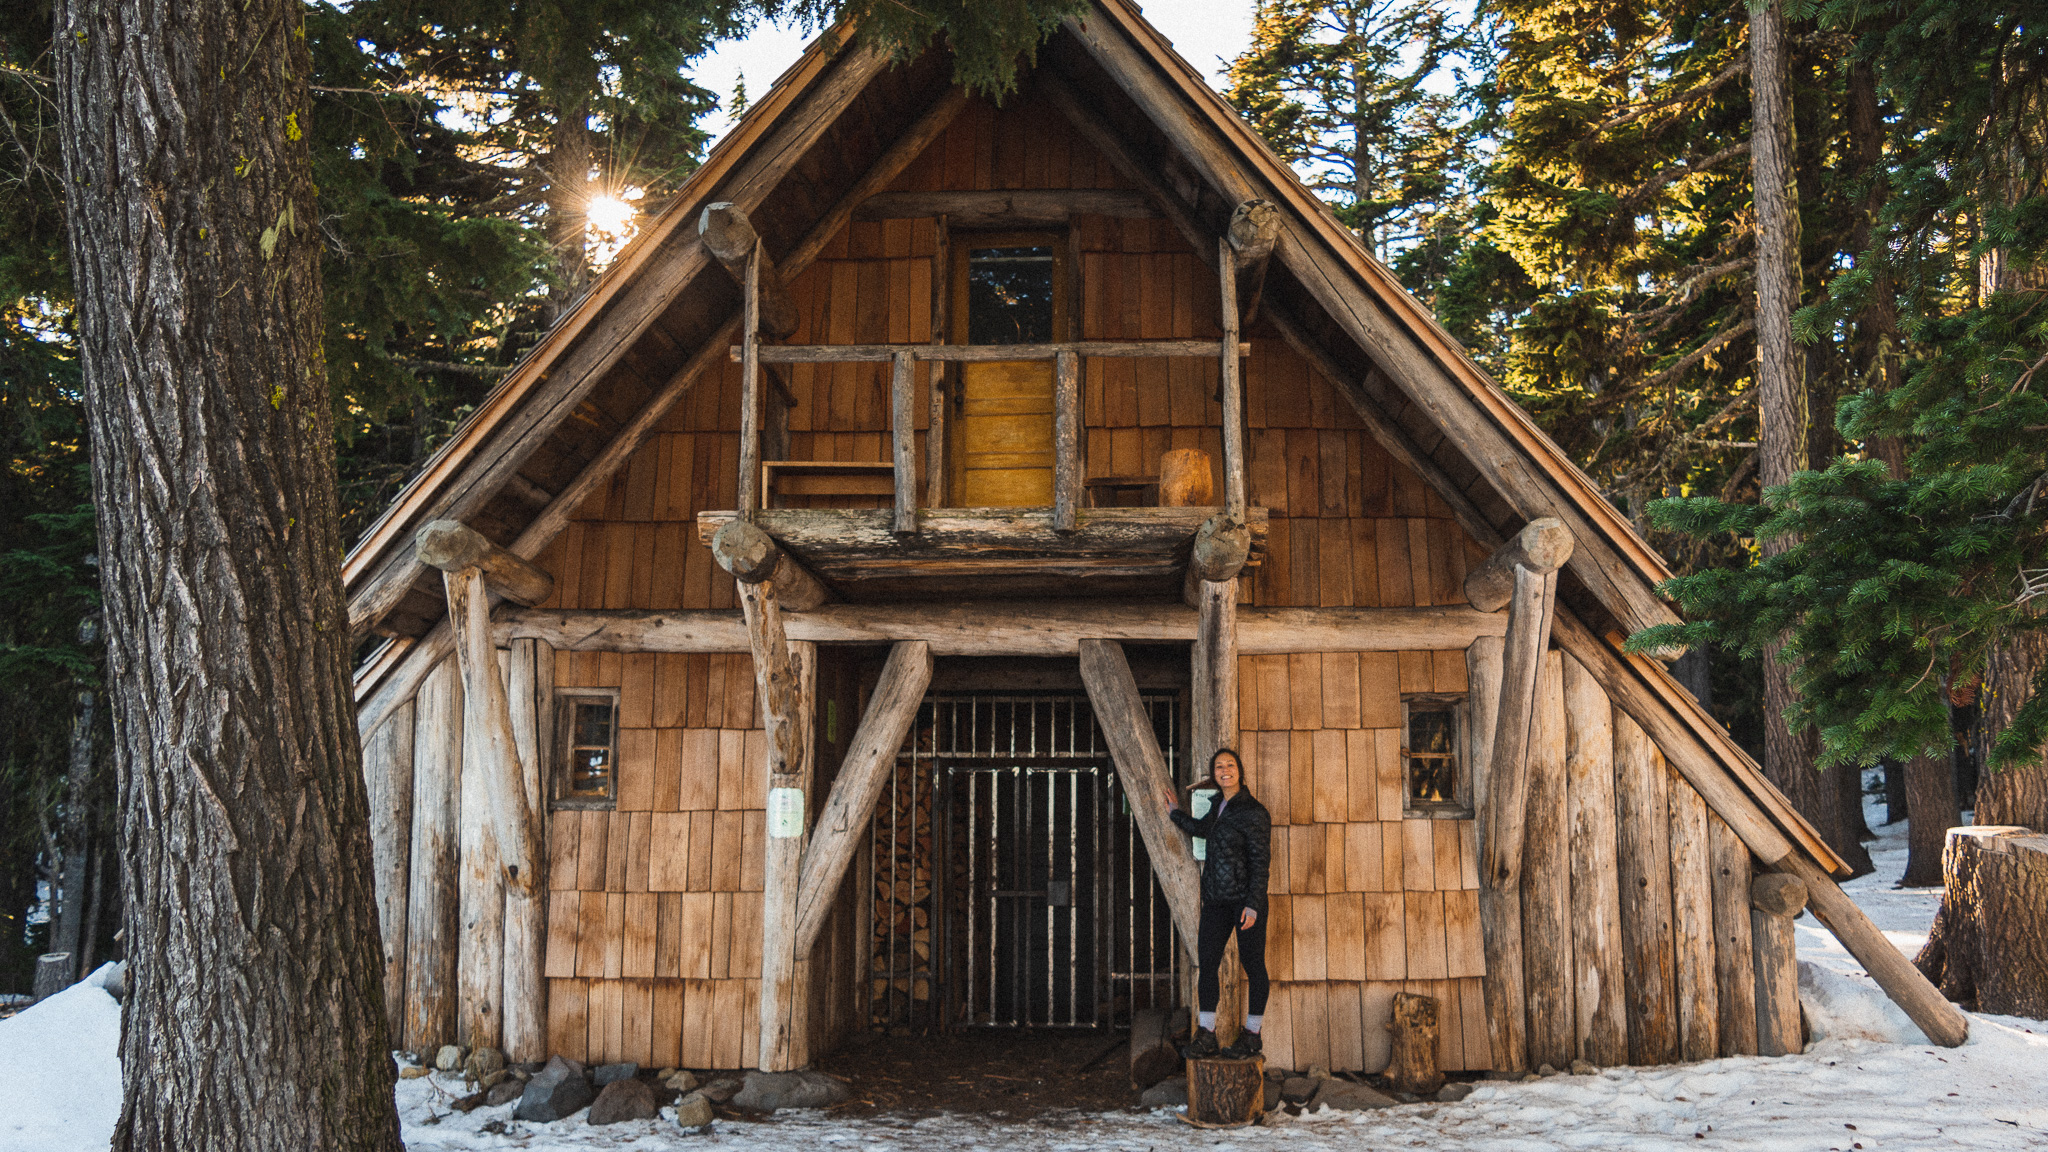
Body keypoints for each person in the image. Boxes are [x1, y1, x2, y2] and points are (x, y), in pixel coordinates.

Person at [1161, 747, 1271, 1059]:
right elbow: (1201, 829)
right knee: (1207, 964)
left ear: (1240, 771)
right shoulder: (1217, 806)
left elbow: (1261, 863)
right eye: (1219, 766)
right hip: (1216, 902)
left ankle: (1252, 1035)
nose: (1225, 770)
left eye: (1230, 765)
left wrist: (1253, 904)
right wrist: (1174, 813)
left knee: (1253, 965)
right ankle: (1207, 1034)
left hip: (1245, 904)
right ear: (1214, 774)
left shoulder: (1254, 812)